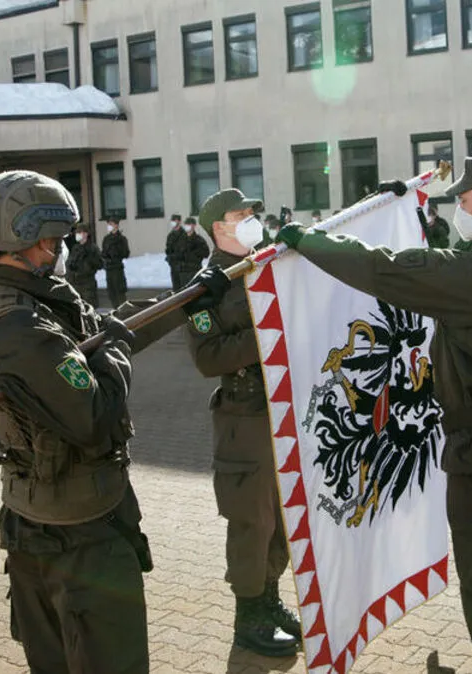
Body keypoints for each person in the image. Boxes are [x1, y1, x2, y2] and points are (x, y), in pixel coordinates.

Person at [275, 155, 472, 673]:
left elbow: (382, 268)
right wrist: (413, 213)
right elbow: (459, 268)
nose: (463, 211)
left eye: (467, 201)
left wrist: (308, 240)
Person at [0, 170, 228, 674]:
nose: (60, 248)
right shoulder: (19, 324)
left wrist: (190, 298)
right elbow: (93, 413)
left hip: (64, 516)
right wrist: (115, 354)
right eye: (55, 239)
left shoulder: (31, 295)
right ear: (29, 239)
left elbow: (106, 332)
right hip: (73, 535)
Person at [187, 188, 301, 658]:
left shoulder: (269, 262)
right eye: (241, 214)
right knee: (251, 520)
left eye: (254, 212)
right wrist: (271, 335)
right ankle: (247, 617)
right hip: (244, 418)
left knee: (282, 517)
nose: (253, 219)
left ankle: (269, 598)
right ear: (218, 227)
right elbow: (208, 356)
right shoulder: (203, 287)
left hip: (283, 413)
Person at [65, 224, 103, 308]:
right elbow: (70, 263)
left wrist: (89, 258)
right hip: (75, 283)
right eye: (76, 232)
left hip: (87, 285)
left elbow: (100, 264)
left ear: (85, 234)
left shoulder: (92, 248)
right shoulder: (76, 247)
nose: (77, 234)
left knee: (89, 308)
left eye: (79, 232)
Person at [102, 217, 130, 307]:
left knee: (120, 293)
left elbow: (126, 253)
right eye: (108, 224)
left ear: (116, 225)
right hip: (109, 268)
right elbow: (103, 253)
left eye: (111, 224)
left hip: (117, 269)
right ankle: (116, 311)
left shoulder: (121, 239)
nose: (109, 226)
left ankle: (124, 313)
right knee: (111, 293)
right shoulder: (106, 239)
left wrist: (117, 250)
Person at [175, 217, 210, 287]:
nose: (186, 226)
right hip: (182, 272)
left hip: (194, 271)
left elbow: (206, 253)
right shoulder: (181, 239)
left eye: (188, 224)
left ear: (193, 226)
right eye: (185, 224)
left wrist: (194, 253)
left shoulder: (199, 240)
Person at [165, 214, 184, 290]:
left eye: (175, 221)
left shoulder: (184, 234)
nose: (173, 223)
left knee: (184, 290)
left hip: (183, 268)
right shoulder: (170, 235)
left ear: (179, 222)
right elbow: (168, 249)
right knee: (176, 289)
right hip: (174, 267)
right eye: (172, 221)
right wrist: (169, 258)